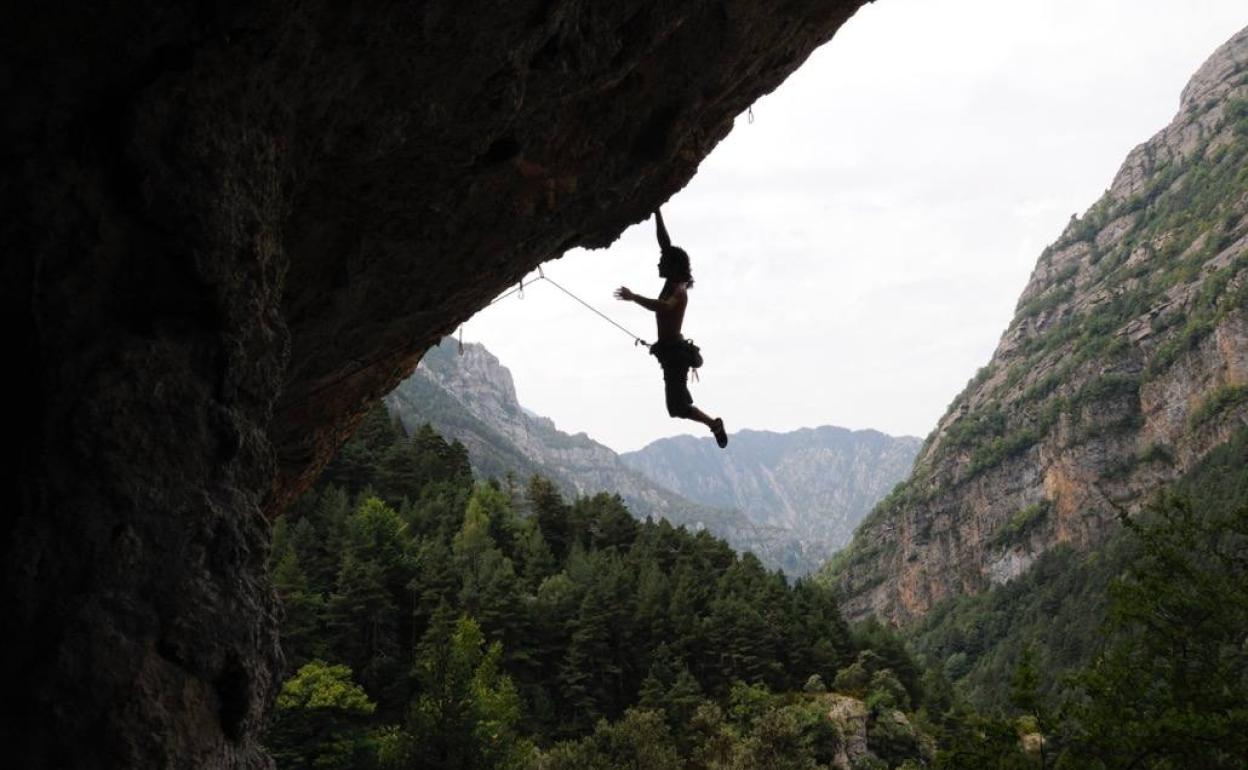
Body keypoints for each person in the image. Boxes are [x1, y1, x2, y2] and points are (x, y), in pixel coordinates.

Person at [615, 209, 728, 448]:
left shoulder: (679, 291)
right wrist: (656, 211)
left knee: (677, 408)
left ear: (672, 267)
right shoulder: (672, 281)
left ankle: (713, 424)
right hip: (669, 352)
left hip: (675, 354)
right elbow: (665, 243)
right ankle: (713, 424)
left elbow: (664, 307)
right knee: (675, 409)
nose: (658, 263)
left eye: (662, 262)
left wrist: (634, 297)